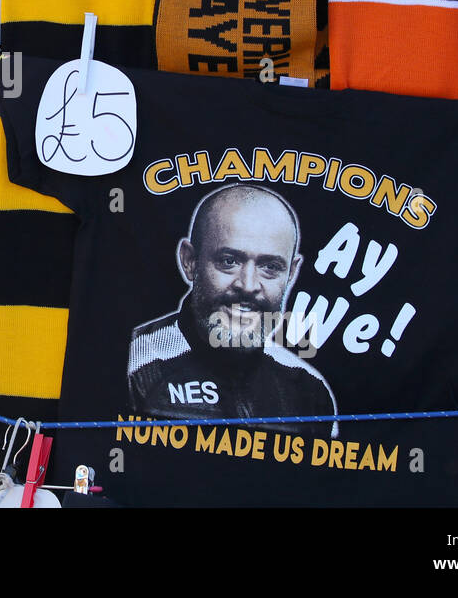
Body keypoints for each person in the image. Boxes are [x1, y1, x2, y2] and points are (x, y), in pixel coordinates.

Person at [126, 184, 337, 437]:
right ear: (189, 261)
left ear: (291, 273)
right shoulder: (132, 365)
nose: (248, 285)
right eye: (229, 261)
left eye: (270, 266)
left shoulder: (309, 390)